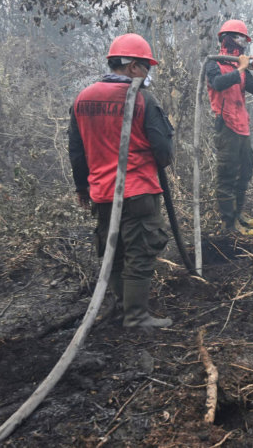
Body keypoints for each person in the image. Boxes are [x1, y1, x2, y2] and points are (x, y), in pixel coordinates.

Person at [69, 33, 175, 329]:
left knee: (112, 252)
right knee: (140, 251)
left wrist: (82, 188)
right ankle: (137, 315)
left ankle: (120, 305)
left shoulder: (82, 99)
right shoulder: (142, 99)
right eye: (145, 67)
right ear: (132, 67)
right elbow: (164, 153)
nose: (147, 74)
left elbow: (76, 150)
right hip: (139, 191)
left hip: (102, 194)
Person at [205, 19, 253, 237]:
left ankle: (238, 214)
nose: (243, 43)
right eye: (240, 38)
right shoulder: (214, 64)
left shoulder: (239, 67)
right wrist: (241, 68)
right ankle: (229, 225)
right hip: (227, 128)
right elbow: (218, 84)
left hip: (243, 127)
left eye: (245, 39)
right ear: (228, 38)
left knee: (245, 172)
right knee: (227, 176)